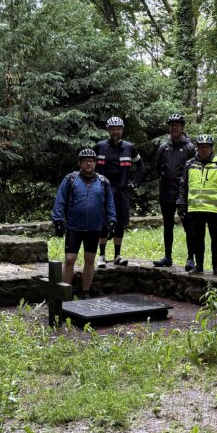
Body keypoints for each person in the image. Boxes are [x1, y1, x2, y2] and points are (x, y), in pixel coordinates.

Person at [51, 148, 117, 299]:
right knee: (69, 259)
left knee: (90, 259)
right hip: (74, 227)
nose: (89, 164)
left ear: (95, 163)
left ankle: (85, 291)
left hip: (94, 227)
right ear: (80, 163)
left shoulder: (103, 182)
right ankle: (65, 293)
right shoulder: (70, 179)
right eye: (86, 161)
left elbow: (110, 203)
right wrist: (58, 220)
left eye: (92, 161)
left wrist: (112, 221)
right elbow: (60, 200)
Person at [177, 134, 217, 276]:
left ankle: (216, 266)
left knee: (216, 238)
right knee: (197, 238)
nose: (204, 150)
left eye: (206, 147)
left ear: (211, 148)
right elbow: (183, 185)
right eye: (201, 147)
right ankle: (199, 265)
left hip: (214, 208)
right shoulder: (190, 164)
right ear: (197, 148)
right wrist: (181, 203)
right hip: (195, 208)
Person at [94, 116, 143, 267]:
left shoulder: (129, 147)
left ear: (122, 130)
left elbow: (140, 166)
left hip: (122, 190)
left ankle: (117, 255)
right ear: (108, 130)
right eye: (113, 129)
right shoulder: (100, 146)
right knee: (103, 223)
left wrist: (134, 182)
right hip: (104, 190)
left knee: (120, 223)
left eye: (118, 129)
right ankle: (101, 256)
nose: (115, 132)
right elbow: (88, 165)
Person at [153, 113, 196, 269]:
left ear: (182, 128)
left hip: (184, 194)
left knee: (189, 226)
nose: (174, 128)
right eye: (172, 126)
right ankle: (167, 257)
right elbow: (158, 169)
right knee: (168, 226)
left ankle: (191, 258)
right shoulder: (163, 148)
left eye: (177, 125)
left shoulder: (190, 148)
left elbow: (195, 170)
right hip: (166, 193)